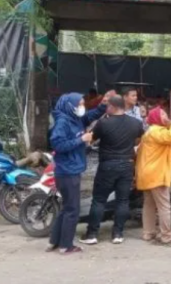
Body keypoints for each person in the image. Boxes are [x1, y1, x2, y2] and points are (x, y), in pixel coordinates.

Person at [47, 90, 113, 254]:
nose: (82, 107)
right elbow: (58, 145)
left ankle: (55, 241)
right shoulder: (63, 122)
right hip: (67, 171)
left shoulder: (74, 118)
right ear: (70, 106)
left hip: (72, 168)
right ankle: (66, 246)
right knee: (72, 210)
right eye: (80, 104)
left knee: (66, 208)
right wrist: (81, 140)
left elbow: (90, 116)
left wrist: (103, 104)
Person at [79, 95, 145, 245]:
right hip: (127, 165)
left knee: (99, 200)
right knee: (122, 200)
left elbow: (91, 139)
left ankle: (92, 234)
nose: (106, 108)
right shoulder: (135, 123)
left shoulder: (103, 123)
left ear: (113, 107)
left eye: (107, 106)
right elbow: (141, 140)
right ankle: (117, 234)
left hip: (107, 166)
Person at [136, 107, 171, 244]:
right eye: (162, 114)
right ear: (156, 118)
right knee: (163, 206)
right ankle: (166, 235)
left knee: (149, 205)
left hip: (146, 173)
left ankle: (148, 233)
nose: (166, 116)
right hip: (157, 174)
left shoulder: (149, 132)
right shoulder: (157, 131)